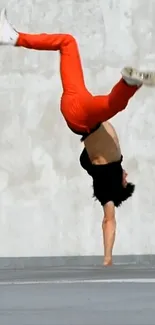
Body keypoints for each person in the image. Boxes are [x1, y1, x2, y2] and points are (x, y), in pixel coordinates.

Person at [0, 8, 155, 266]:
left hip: (83, 119)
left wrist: (107, 258)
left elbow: (109, 220)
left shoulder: (107, 176)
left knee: (110, 106)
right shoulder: (111, 162)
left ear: (119, 186)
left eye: (126, 182)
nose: (128, 176)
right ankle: (13, 37)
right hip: (78, 102)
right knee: (67, 42)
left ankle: (129, 84)